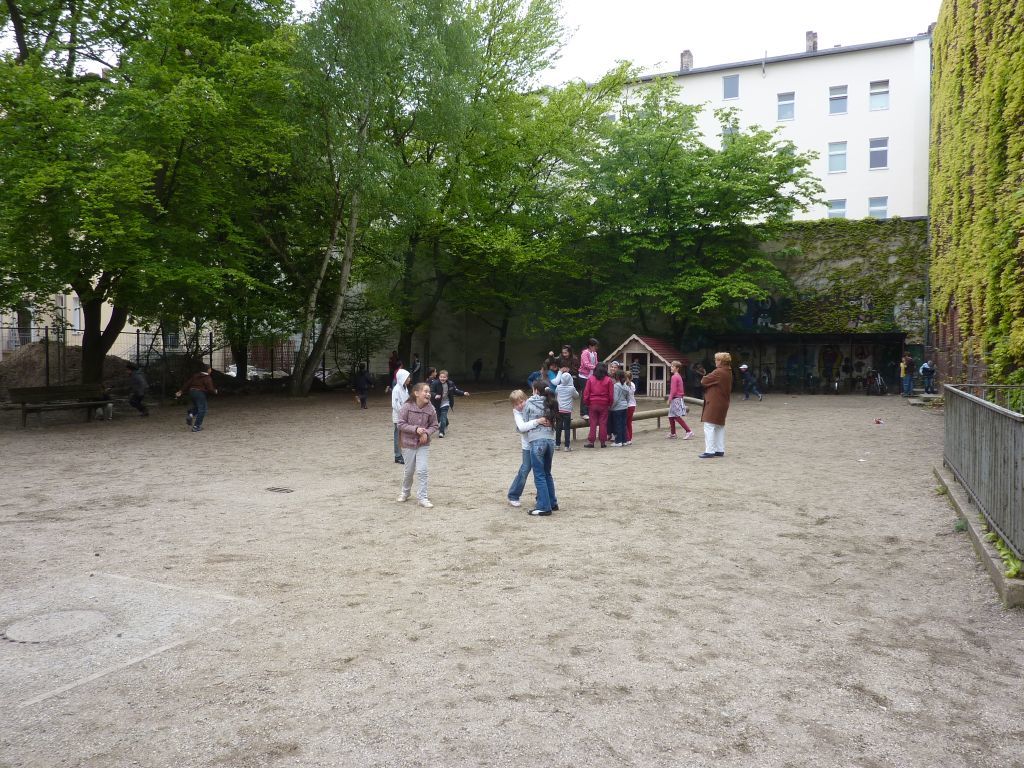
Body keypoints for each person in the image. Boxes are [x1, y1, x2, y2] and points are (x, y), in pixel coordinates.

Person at [396, 382, 439, 508]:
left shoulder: (431, 409)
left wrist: (427, 433)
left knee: (422, 470)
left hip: (423, 445)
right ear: (416, 393)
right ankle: (405, 492)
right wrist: (415, 429)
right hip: (408, 444)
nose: (428, 394)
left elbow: (435, 425)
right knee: (409, 471)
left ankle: (422, 497)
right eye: (425, 391)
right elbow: (400, 424)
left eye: (429, 392)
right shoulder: (406, 406)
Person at [522, 379, 559, 516]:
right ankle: (552, 502)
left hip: (537, 441)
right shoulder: (550, 402)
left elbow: (524, 425)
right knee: (547, 473)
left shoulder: (530, 403)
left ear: (536, 390)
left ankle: (544, 506)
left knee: (539, 474)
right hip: (550, 441)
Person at [508, 389, 547, 508]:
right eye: (516, 404)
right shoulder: (517, 412)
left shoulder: (533, 402)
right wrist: (537, 421)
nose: (520, 405)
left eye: (521, 402)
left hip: (540, 442)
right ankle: (513, 495)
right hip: (528, 445)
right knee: (525, 469)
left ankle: (542, 497)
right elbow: (522, 427)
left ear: (526, 399)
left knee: (541, 471)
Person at [698, 352, 734, 458]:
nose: (715, 361)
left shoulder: (718, 372)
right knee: (719, 426)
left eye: (717, 359)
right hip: (723, 402)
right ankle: (719, 449)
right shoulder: (728, 371)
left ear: (721, 361)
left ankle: (709, 450)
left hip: (715, 402)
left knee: (708, 425)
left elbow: (704, 381)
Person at [176, 364, 217, 433]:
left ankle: (190, 415)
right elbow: (210, 388)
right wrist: (215, 391)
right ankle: (196, 426)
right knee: (203, 409)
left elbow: (188, 383)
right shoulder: (207, 377)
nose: (211, 370)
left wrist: (181, 391)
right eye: (210, 369)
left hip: (192, 392)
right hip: (200, 393)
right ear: (208, 370)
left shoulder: (196, 375)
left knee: (197, 407)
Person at [582, 361, 614, 448]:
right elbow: (611, 395)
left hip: (592, 403)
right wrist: (610, 404)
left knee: (593, 423)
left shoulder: (590, 379)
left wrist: (587, 403)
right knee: (603, 423)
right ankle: (603, 442)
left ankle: (591, 442)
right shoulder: (609, 380)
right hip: (604, 404)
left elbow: (586, 393)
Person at [429, 369, 469, 437]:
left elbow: (455, 390)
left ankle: (441, 432)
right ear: (439, 377)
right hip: (436, 403)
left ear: (447, 377)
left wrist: (463, 393)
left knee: (443, 416)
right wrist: (435, 395)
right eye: (441, 377)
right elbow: (431, 392)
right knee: (438, 418)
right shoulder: (435, 383)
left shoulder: (450, 383)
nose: (442, 378)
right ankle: (446, 423)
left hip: (446, 402)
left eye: (444, 377)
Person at [551, 368, 579, 451]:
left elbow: (556, 393)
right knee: (567, 428)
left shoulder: (558, 387)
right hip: (567, 411)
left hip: (559, 410)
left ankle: (557, 445)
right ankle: (567, 446)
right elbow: (576, 396)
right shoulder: (571, 388)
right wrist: (572, 386)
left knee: (558, 427)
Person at [666, 360, 695, 440]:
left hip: (676, 399)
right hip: (678, 398)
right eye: (671, 366)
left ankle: (689, 431)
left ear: (677, 368)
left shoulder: (674, 377)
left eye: (672, 366)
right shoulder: (678, 376)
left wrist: (670, 399)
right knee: (671, 416)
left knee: (676, 416)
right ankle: (673, 433)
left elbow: (673, 390)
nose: (671, 367)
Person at [390, 368, 411, 464]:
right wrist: (403, 412)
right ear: (403, 378)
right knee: (398, 435)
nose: (409, 379)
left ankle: (403, 453)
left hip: (405, 416)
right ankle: (398, 455)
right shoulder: (396, 389)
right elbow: (395, 404)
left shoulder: (405, 388)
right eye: (408, 377)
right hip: (399, 417)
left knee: (404, 435)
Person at [578, 338, 599, 419]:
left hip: (592, 376)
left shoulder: (595, 353)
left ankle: (589, 411)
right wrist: (596, 368)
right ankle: (583, 413)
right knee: (585, 394)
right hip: (584, 376)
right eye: (595, 346)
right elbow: (586, 364)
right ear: (590, 346)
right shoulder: (585, 353)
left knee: (591, 394)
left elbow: (596, 363)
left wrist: (598, 367)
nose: (596, 348)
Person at [610, 370, 630, 447]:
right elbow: (628, 398)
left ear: (616, 377)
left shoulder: (616, 386)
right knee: (623, 424)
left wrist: (611, 407)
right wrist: (626, 404)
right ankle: (624, 440)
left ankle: (618, 441)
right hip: (625, 407)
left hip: (617, 408)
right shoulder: (626, 386)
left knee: (617, 424)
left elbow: (615, 399)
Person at [624, 369, 637, 444]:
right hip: (633, 405)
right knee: (629, 423)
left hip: (628, 406)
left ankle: (627, 438)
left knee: (625, 423)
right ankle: (630, 438)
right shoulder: (633, 384)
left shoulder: (626, 385)